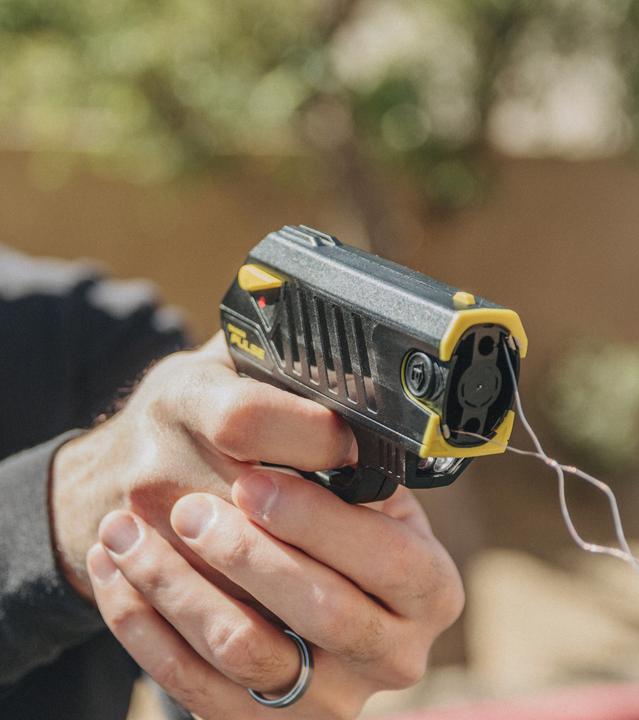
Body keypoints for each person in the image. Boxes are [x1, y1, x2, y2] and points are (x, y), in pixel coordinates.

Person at [0, 244, 465, 720]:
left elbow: (188, 670)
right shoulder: (84, 326)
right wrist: (62, 510)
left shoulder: (93, 329)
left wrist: (261, 673)